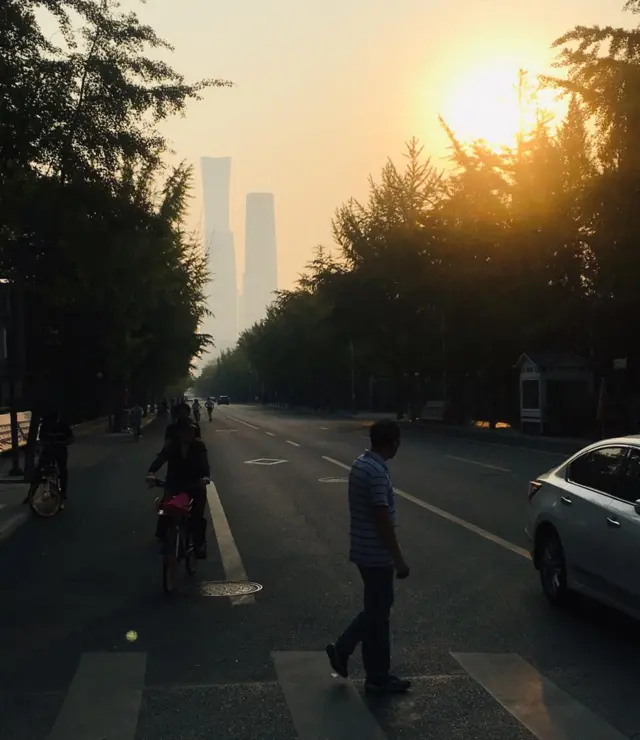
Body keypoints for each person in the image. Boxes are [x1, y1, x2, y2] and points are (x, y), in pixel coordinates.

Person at [326, 419, 411, 693]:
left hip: (363, 549)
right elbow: (381, 517)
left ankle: (373, 672)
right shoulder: (376, 472)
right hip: (375, 553)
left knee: (376, 610)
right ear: (393, 443)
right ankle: (354, 657)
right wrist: (397, 557)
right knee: (379, 611)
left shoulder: (362, 463)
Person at [147, 417, 210, 558]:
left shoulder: (199, 446)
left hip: (195, 485)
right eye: (187, 431)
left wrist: (205, 478)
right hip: (175, 483)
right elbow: (160, 459)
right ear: (179, 433)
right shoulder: (172, 446)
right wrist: (151, 473)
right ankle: (165, 537)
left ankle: (199, 545)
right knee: (166, 508)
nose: (190, 434)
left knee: (196, 516)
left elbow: (205, 466)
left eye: (192, 431)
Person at [36, 411, 74, 505]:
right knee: (41, 469)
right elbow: (41, 439)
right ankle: (35, 488)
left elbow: (71, 439)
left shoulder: (62, 424)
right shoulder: (46, 425)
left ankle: (63, 491)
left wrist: (61, 443)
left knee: (62, 470)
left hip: (59, 450)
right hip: (50, 450)